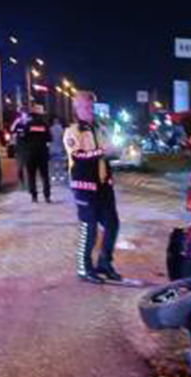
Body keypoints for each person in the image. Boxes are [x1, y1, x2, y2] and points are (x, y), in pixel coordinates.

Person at [64, 91, 120, 283]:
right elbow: (78, 156)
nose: (90, 111)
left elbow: (107, 153)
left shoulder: (100, 129)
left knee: (112, 224)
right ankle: (84, 269)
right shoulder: (72, 131)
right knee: (89, 228)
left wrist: (115, 152)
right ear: (77, 109)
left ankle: (105, 264)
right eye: (86, 107)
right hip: (84, 186)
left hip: (103, 186)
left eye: (91, 107)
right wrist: (102, 151)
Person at [20, 104, 51, 203]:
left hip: (30, 153)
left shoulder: (28, 125)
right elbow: (49, 138)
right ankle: (47, 196)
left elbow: (23, 138)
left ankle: (34, 196)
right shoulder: (45, 125)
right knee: (45, 175)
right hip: (42, 152)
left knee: (31, 175)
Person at [48, 116, 66, 187]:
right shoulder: (61, 128)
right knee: (60, 162)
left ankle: (54, 176)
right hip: (59, 147)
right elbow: (63, 138)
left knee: (52, 163)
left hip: (52, 147)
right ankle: (61, 175)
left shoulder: (50, 128)